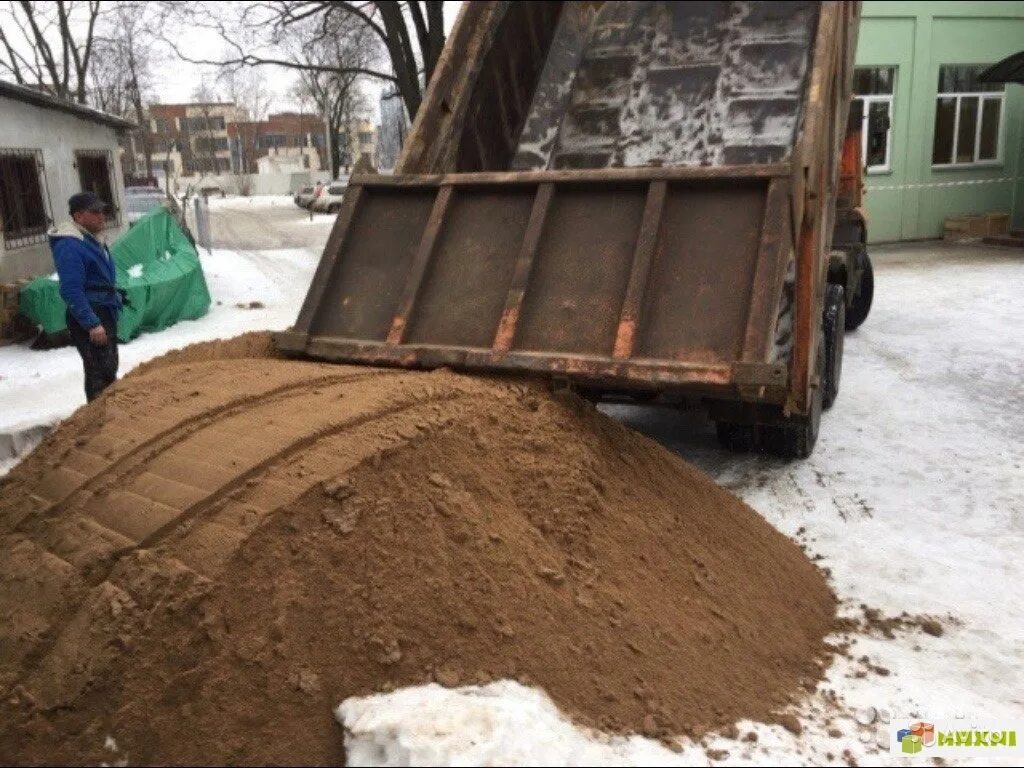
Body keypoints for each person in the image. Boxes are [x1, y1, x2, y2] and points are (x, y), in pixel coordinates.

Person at [49, 192, 122, 401]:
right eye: (95, 212)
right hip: (92, 314)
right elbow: (71, 289)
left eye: (103, 211)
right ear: (79, 216)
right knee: (99, 373)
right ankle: (98, 423)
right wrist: (92, 323)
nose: (102, 216)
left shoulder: (90, 240)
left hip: (103, 309)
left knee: (107, 370)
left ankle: (108, 418)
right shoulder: (70, 245)